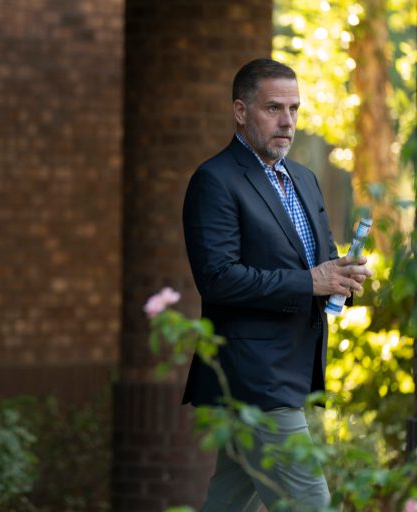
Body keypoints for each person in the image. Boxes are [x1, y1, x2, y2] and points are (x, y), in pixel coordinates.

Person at [181, 58, 372, 510]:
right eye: (273, 108)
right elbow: (217, 279)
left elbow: (320, 263)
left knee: (228, 500)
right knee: (310, 503)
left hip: (293, 369)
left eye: (294, 109)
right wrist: (310, 281)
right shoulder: (215, 181)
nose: (287, 121)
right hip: (254, 377)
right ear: (241, 111)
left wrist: (342, 274)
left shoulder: (303, 179)